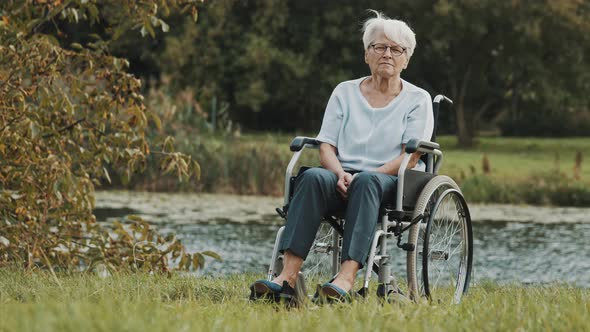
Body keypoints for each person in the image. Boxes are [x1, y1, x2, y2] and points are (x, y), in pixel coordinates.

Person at [250, 10, 433, 302]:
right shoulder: (344, 92)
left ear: (406, 59)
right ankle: (287, 277)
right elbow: (326, 147)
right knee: (310, 177)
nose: (387, 54)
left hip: (390, 181)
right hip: (342, 175)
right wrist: (338, 174)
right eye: (379, 47)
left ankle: (346, 278)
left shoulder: (417, 99)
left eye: (396, 49)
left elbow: (409, 158)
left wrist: (367, 175)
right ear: (366, 54)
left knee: (367, 182)